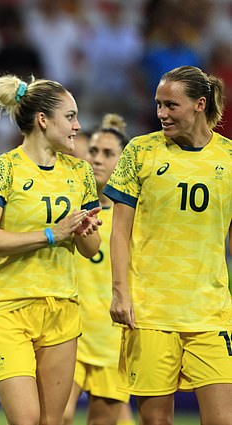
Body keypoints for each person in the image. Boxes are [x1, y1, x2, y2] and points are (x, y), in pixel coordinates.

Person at [0, 74, 102, 425]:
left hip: (62, 309)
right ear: (43, 120)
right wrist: (51, 234)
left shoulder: (80, 173)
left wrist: (84, 231)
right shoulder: (2, 170)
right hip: (8, 312)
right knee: (26, 419)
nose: (78, 126)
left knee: (52, 421)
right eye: (70, 116)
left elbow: (91, 250)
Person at [107, 65, 232, 424]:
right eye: (158, 104)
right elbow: (119, 231)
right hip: (150, 313)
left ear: (199, 104)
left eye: (171, 105)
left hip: (210, 312)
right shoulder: (140, 152)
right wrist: (120, 292)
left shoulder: (228, 157)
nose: (161, 113)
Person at [62, 114, 133, 425]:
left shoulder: (133, 216)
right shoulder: (68, 205)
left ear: (122, 163)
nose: (97, 159)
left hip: (112, 338)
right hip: (69, 331)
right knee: (56, 416)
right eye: (92, 151)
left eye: (107, 154)